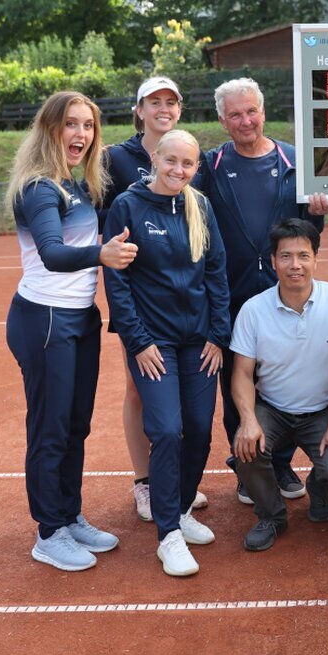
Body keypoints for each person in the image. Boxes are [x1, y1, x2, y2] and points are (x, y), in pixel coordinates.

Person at [4, 90, 137, 572]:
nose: (81, 133)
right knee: (51, 428)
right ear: (50, 129)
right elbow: (53, 254)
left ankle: (68, 514)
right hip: (45, 320)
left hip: (80, 318)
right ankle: (48, 531)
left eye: (88, 125)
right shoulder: (41, 188)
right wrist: (101, 254)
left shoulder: (76, 185)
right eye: (71, 124)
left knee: (76, 425)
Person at [194, 77, 328, 504]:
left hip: (283, 295)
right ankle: (246, 466)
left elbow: (307, 233)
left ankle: (279, 462)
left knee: (281, 378)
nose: (245, 121)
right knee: (235, 384)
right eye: (235, 114)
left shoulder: (295, 161)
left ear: (263, 112)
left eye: (251, 111)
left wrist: (319, 213)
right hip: (230, 294)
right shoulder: (210, 166)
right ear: (222, 121)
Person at [103, 130, 230, 577]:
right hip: (154, 344)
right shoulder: (127, 206)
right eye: (171, 160)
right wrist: (138, 342)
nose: (178, 170)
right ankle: (168, 535)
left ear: (196, 168)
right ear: (155, 158)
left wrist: (218, 334)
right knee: (167, 429)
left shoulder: (200, 206)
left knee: (199, 430)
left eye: (187, 163)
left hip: (200, 341)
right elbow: (117, 282)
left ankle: (180, 509)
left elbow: (216, 271)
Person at [100, 76, 208, 522]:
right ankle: (145, 481)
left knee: (179, 402)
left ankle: (172, 481)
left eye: (171, 102)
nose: (163, 108)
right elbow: (101, 214)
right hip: (138, 295)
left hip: (181, 302)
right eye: (154, 102)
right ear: (139, 110)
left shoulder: (190, 159)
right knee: (137, 387)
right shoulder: (115, 159)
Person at [231, 219, 328, 551]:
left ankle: (318, 489)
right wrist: (248, 420)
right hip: (273, 408)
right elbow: (242, 373)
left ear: (316, 259)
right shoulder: (253, 310)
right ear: (273, 261)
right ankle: (271, 516)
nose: (295, 265)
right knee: (246, 448)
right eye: (285, 256)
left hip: (324, 409)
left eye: (303, 255)